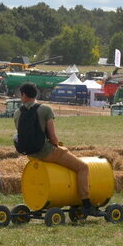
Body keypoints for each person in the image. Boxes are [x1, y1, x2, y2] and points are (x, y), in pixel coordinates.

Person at [14, 82, 97, 215]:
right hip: (46, 152)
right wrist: (59, 146)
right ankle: (86, 203)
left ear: (24, 95)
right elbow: (52, 137)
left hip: (30, 154)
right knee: (82, 167)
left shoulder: (17, 113)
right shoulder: (45, 109)